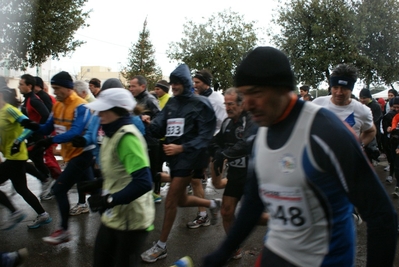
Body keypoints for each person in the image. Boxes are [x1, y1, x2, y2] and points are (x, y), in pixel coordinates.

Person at [203, 46, 397, 267]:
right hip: (277, 251)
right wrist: (222, 252)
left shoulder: (326, 132)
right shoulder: (259, 131)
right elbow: (254, 201)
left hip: (323, 259)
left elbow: (382, 217)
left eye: (255, 93)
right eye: (244, 95)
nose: (247, 104)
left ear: (282, 89)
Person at [140, 64, 221, 263]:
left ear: (184, 83)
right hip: (175, 160)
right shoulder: (172, 104)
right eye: (172, 83)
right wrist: (148, 124)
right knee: (181, 200)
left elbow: (206, 135)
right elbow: (160, 128)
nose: (174, 87)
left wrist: (182, 148)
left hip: (191, 159)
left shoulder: (201, 103)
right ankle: (213, 204)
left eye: (177, 83)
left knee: (170, 202)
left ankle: (161, 246)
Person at [82, 88, 154, 267]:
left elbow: (143, 182)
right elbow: (119, 172)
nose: (99, 114)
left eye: (104, 109)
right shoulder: (110, 133)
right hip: (113, 216)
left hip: (132, 221)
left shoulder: (127, 137)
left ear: (118, 111)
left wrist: (109, 200)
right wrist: (96, 183)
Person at [22, 71, 94, 245]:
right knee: (94, 190)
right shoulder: (58, 105)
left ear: (68, 88)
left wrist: (50, 141)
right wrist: (32, 126)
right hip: (71, 155)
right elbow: (47, 127)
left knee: (60, 189)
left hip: (83, 154)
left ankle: (64, 230)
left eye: (57, 89)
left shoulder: (81, 106)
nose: (54, 93)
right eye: (53, 89)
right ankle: (117, 214)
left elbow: (75, 131)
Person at [206, 87, 258, 259]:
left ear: (241, 104)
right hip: (236, 175)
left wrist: (225, 154)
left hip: (254, 177)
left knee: (258, 216)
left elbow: (246, 143)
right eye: (225, 104)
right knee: (227, 212)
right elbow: (215, 141)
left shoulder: (250, 119)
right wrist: (217, 153)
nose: (227, 107)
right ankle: (234, 247)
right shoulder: (227, 123)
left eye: (231, 104)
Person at [0, 87, 52, 230]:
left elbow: (31, 126)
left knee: (21, 187)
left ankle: (15, 213)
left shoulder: (10, 110)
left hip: (16, 156)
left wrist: (18, 141)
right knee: (22, 188)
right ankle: (43, 215)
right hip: (11, 156)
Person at [188, 69, 227, 227]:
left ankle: (245, 180)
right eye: (193, 82)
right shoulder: (196, 98)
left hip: (216, 144)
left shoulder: (217, 99)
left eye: (197, 83)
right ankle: (203, 215)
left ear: (206, 83)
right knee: (194, 179)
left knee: (217, 184)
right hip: (202, 144)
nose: (194, 85)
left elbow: (226, 123)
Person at [18, 74, 54, 199]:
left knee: (25, 160)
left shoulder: (34, 100)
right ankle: (46, 180)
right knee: (36, 162)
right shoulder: (27, 100)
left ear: (29, 86)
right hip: (30, 137)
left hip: (37, 138)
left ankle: (47, 181)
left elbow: (46, 115)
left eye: (21, 84)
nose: (19, 86)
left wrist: (38, 129)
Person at [34, 76, 61, 182]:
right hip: (48, 131)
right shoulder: (41, 97)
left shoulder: (43, 97)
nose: (55, 92)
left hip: (50, 132)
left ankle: (58, 180)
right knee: (46, 156)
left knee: (48, 156)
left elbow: (49, 116)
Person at [358, 88, 382, 163]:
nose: (362, 100)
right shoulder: (360, 106)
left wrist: (365, 125)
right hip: (362, 132)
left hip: (373, 132)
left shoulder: (375, 106)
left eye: (364, 98)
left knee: (370, 151)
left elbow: (376, 119)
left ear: (369, 97)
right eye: (361, 98)